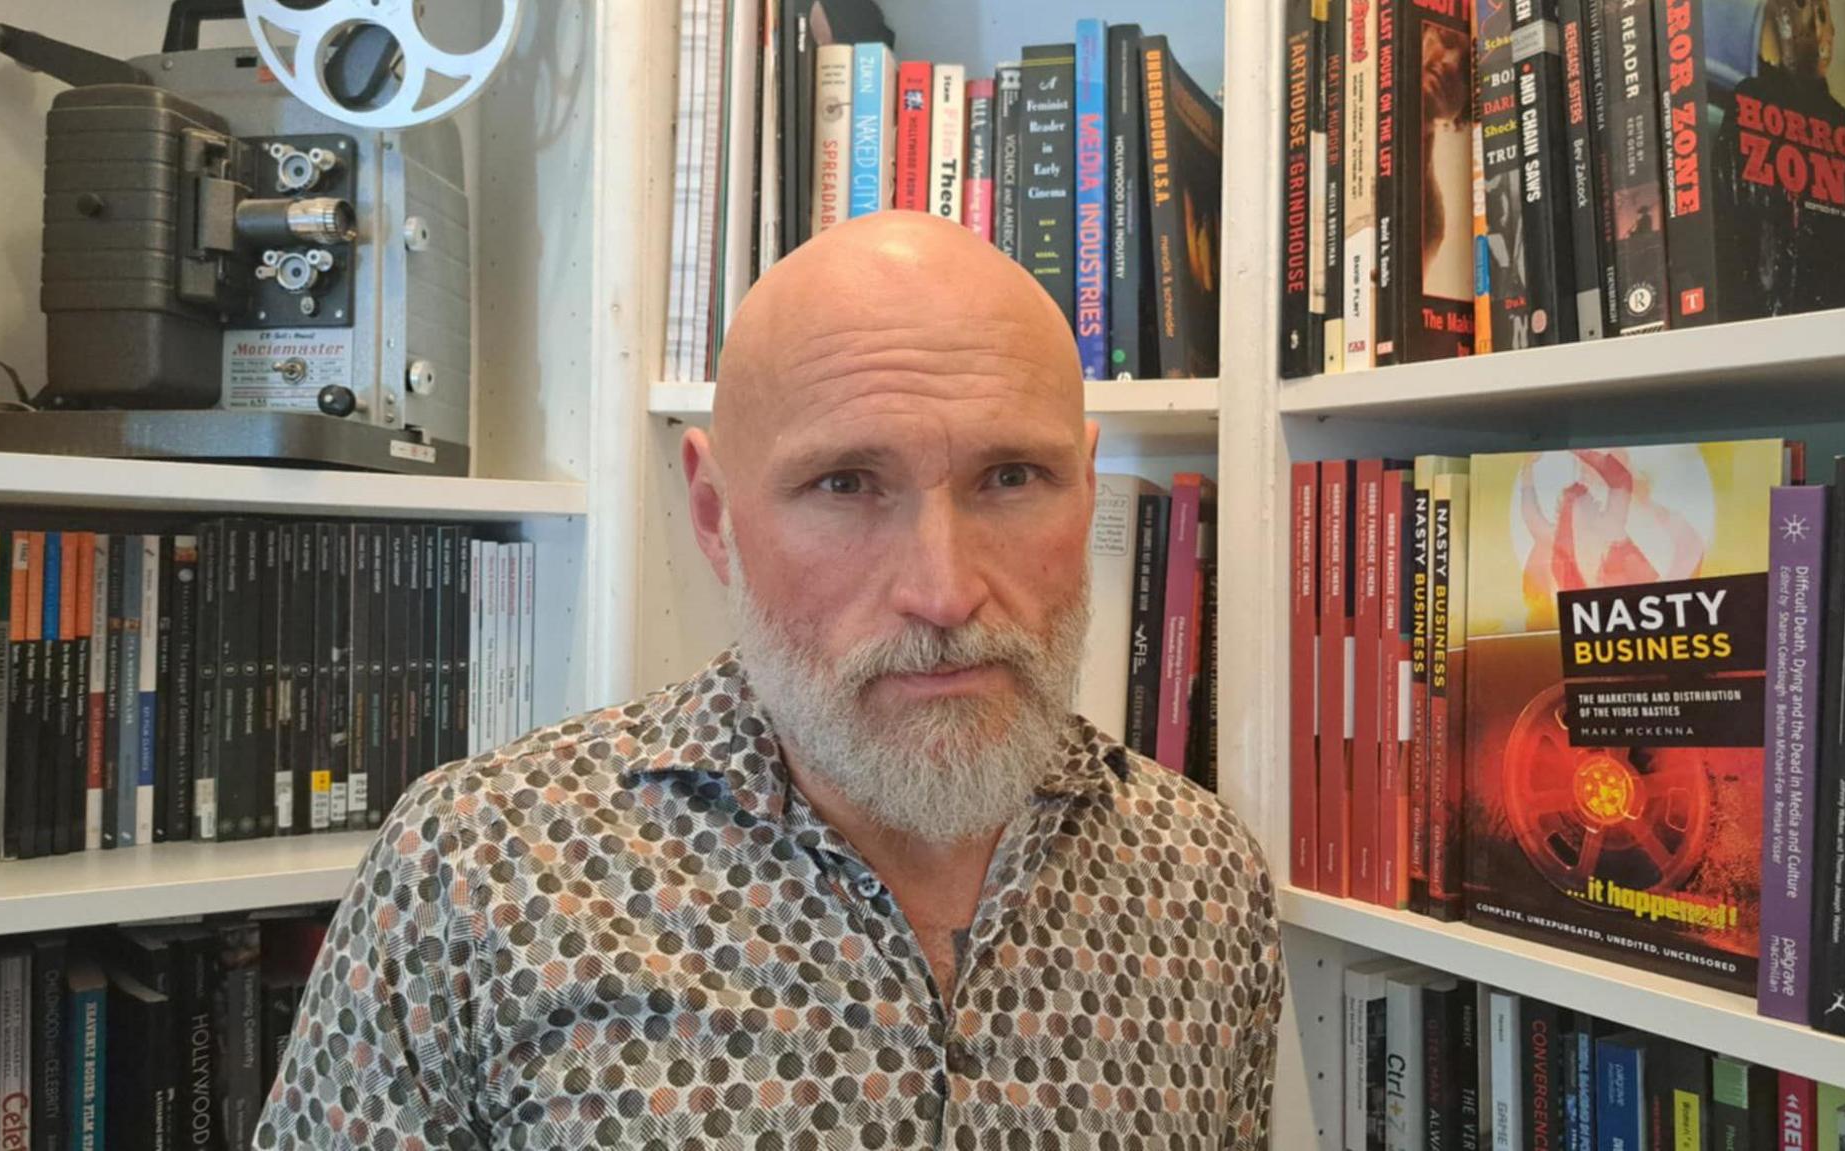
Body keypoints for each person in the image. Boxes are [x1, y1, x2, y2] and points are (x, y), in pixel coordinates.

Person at [254, 211, 1283, 1149]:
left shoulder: (1199, 877)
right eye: (845, 483)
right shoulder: (480, 868)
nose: (943, 589)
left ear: (1084, 486)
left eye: (1009, 478)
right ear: (714, 516)